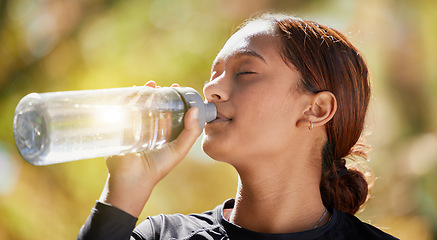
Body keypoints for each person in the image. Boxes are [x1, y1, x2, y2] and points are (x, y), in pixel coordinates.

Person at [77, 13, 398, 240]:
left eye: (245, 72)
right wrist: (127, 186)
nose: (211, 90)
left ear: (316, 108)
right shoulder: (164, 236)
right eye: (214, 74)